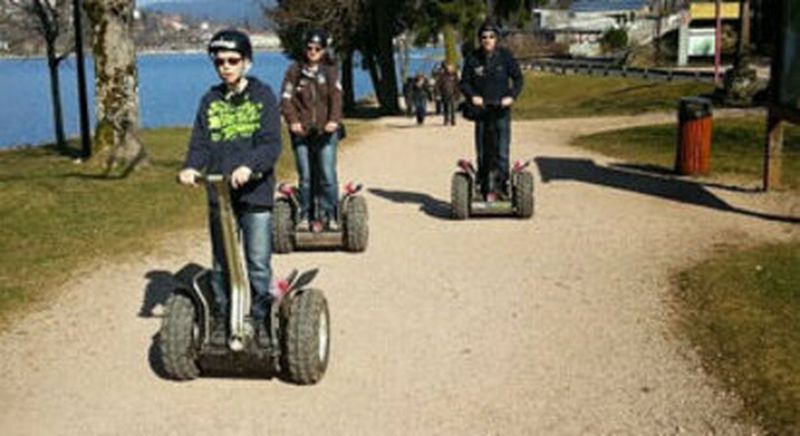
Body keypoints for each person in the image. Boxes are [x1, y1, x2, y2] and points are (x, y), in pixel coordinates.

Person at [178, 29, 282, 340]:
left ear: (247, 62)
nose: (226, 66)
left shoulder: (263, 95)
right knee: (222, 262)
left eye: (233, 60)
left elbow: (271, 144)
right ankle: (224, 316)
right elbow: (200, 143)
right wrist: (190, 167)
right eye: (219, 61)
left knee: (257, 261)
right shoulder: (209, 100)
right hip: (220, 194)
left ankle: (263, 319)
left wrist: (250, 166)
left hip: (255, 193)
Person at [280, 29, 343, 231]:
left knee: (327, 175)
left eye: (317, 48)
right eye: (309, 48)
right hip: (301, 132)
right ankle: (304, 215)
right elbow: (285, 99)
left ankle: (330, 214)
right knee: (305, 177)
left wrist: (334, 120)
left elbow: (336, 98)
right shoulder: (294, 71)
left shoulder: (331, 71)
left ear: (324, 50)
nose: (313, 51)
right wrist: (292, 121)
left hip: (326, 132)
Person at [460, 20, 523, 201]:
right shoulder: (473, 58)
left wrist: (511, 96)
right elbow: (464, 83)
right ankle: (483, 186)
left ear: (497, 38)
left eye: (491, 37)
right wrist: (472, 96)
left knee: (502, 151)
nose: (487, 40)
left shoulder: (505, 57)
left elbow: (518, 79)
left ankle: (501, 186)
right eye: (484, 37)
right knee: (483, 152)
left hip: (501, 110)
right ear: (480, 39)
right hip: (481, 112)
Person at [436, 62, 460, 126]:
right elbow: (438, 85)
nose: (450, 68)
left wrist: (458, 93)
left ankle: (453, 120)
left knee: (453, 108)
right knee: (446, 107)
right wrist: (438, 94)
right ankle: (446, 120)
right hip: (445, 94)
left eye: (451, 67)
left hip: (453, 94)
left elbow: (457, 85)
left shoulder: (455, 75)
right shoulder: (442, 75)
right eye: (449, 67)